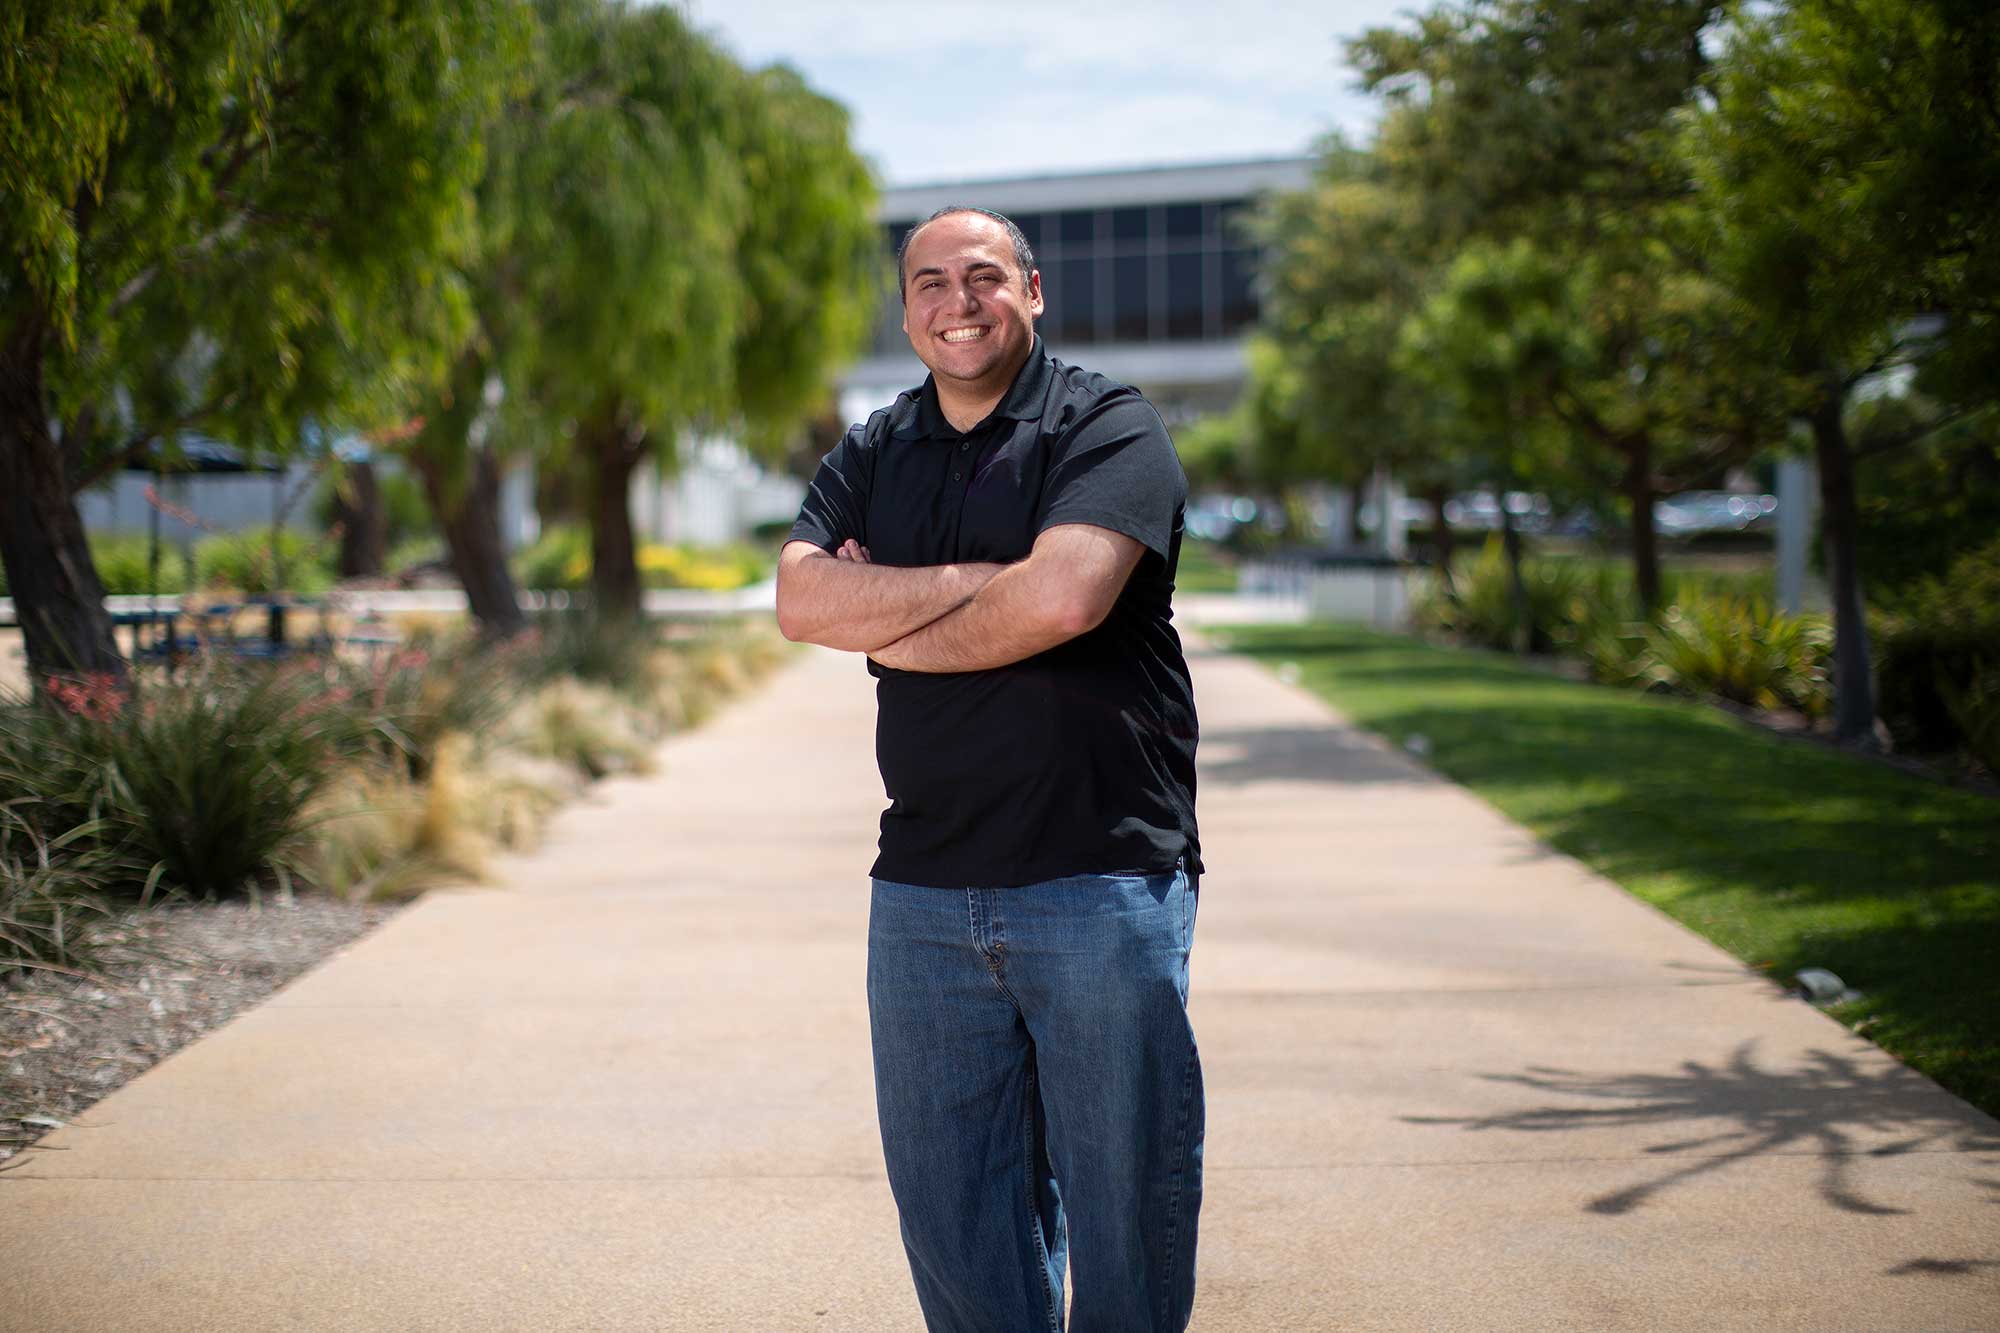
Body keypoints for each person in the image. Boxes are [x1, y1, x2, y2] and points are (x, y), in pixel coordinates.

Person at [775, 205, 1203, 1333]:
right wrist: (989, 585)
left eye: (982, 277)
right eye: (929, 281)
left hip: (1099, 873)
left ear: (1032, 291)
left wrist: (887, 621)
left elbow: (1064, 598)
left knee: (1125, 1210)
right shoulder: (875, 446)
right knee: (955, 1216)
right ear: (905, 308)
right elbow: (800, 600)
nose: (956, 303)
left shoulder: (1107, 424)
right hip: (921, 887)